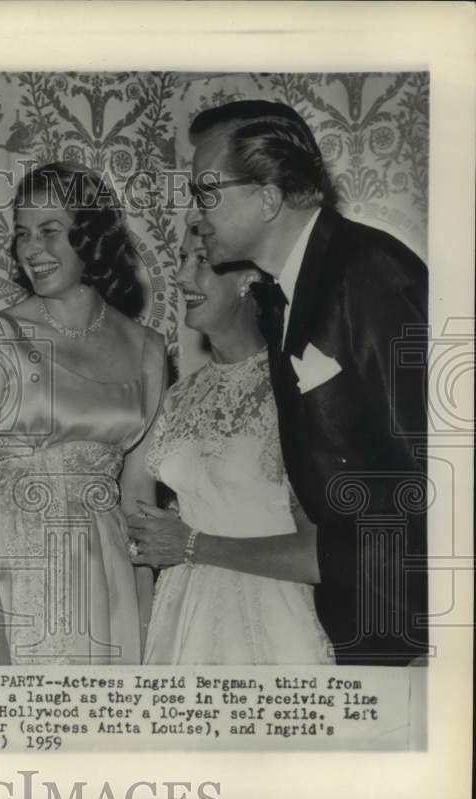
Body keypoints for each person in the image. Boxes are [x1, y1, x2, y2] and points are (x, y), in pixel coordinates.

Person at [185, 100, 428, 665]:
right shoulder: (282, 299)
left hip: (404, 631)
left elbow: (438, 467)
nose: (198, 216)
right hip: (350, 618)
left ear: (268, 197)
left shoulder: (369, 272)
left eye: (206, 192)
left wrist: (434, 639)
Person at [0, 162, 165, 665]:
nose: (31, 249)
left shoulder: (148, 349)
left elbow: (138, 500)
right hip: (16, 578)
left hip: (108, 579)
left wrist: (148, 613)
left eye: (50, 231)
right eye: (23, 234)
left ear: (89, 237)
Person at [127, 229, 333, 664]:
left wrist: (190, 545)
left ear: (247, 279)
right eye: (182, 259)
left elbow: (320, 555)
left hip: (272, 629)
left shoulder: (294, 390)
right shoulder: (180, 396)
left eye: (201, 260)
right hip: (182, 619)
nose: (182, 275)